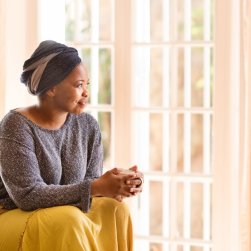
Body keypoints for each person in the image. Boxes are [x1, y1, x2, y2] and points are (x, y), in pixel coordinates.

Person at [0, 40, 143, 251]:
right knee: (68, 220)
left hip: (67, 212)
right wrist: (96, 187)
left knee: (115, 210)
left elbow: (90, 187)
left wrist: (121, 183)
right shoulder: (16, 125)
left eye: (87, 85)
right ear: (52, 88)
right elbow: (27, 196)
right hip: (12, 213)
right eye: (78, 85)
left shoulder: (88, 126)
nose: (86, 92)